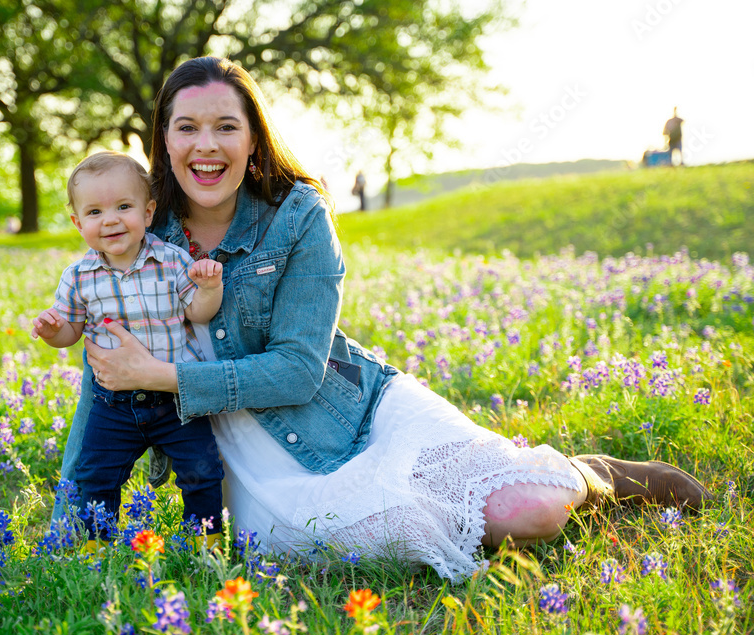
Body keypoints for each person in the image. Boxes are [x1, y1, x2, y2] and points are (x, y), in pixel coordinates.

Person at [52, 58, 713, 581]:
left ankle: (597, 476)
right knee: (398, 537)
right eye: (186, 127)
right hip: (240, 457)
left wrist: (164, 376)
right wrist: (71, 513)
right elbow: (108, 375)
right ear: (162, 140)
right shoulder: (134, 226)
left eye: (226, 124)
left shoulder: (297, 213)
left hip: (344, 406)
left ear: (253, 136)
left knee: (530, 510)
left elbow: (297, 368)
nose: (206, 145)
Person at [33, 150, 226, 546]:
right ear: (77, 223)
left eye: (124, 206)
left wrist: (210, 288)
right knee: (96, 475)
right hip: (113, 404)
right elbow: (70, 331)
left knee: (203, 469)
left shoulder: (172, 260)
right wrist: (54, 331)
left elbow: (199, 313)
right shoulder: (78, 277)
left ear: (148, 212)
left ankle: (204, 540)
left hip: (176, 398)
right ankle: (95, 543)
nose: (111, 219)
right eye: (95, 212)